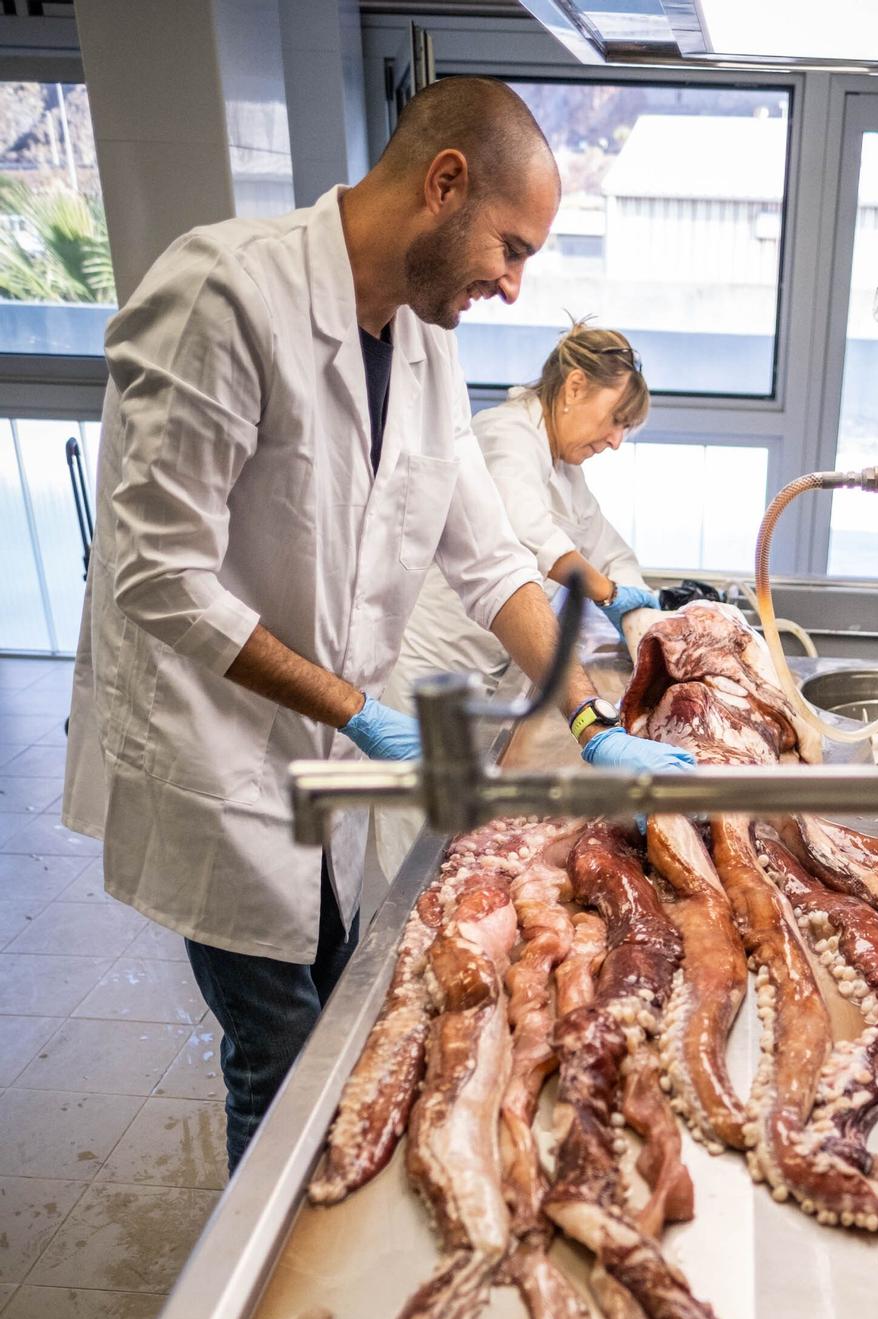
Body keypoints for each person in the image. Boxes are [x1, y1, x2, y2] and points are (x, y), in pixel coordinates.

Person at [62, 76, 692, 1174]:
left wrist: (592, 722)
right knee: (282, 1053)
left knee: (352, 1015)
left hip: (328, 765)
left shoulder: (422, 343)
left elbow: (490, 558)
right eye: (510, 245)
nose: (512, 283)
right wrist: (358, 712)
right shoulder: (222, 295)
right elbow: (158, 576)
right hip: (218, 758)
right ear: (444, 182)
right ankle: (262, 1307)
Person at [374, 320, 660, 879]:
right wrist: (605, 591)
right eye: (614, 420)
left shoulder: (565, 470)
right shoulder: (506, 435)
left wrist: (646, 615)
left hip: (487, 674)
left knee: (464, 850)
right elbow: (526, 532)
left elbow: (607, 548)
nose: (615, 440)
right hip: (430, 676)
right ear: (574, 386)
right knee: (415, 862)